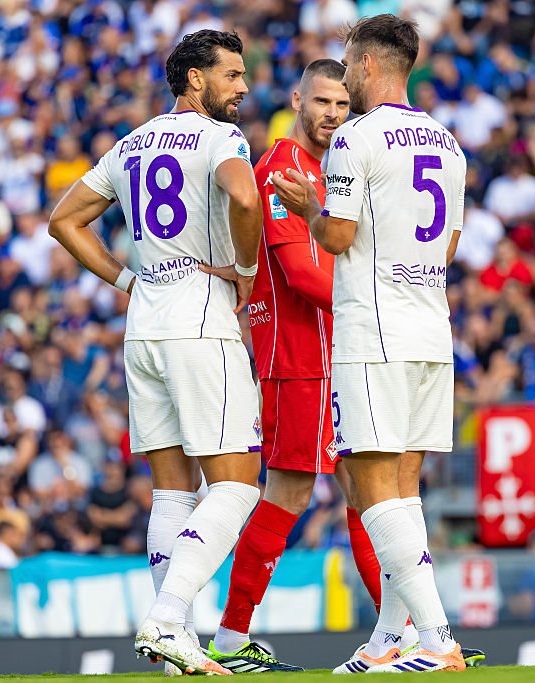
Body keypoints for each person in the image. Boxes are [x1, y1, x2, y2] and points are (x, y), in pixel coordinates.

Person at [48, 29, 264, 675]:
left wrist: (126, 281)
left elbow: (64, 220)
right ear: (195, 79)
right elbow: (245, 195)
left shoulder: (132, 143)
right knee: (236, 484)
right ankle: (168, 618)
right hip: (200, 321)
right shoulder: (221, 138)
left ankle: (177, 651)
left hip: (144, 325)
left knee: (172, 493)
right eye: (231, 74)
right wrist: (245, 269)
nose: (243, 86)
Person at [272, 14, 480, 673]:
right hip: (431, 329)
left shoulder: (356, 138)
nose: (345, 79)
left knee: (372, 489)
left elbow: (336, 237)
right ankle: (391, 635)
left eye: (346, 65)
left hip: (374, 333)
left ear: (365, 65)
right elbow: (449, 246)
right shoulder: (448, 143)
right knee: (403, 491)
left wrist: (308, 207)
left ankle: (437, 638)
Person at [206, 60, 381, 673]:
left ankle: (402, 630)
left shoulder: (326, 171)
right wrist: (373, 297)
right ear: (297, 100)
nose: (332, 114)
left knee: (364, 488)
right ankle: (231, 636)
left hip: (334, 352)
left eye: (342, 105)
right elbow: (304, 275)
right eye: (322, 102)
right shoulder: (281, 171)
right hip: (298, 357)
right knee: (292, 490)